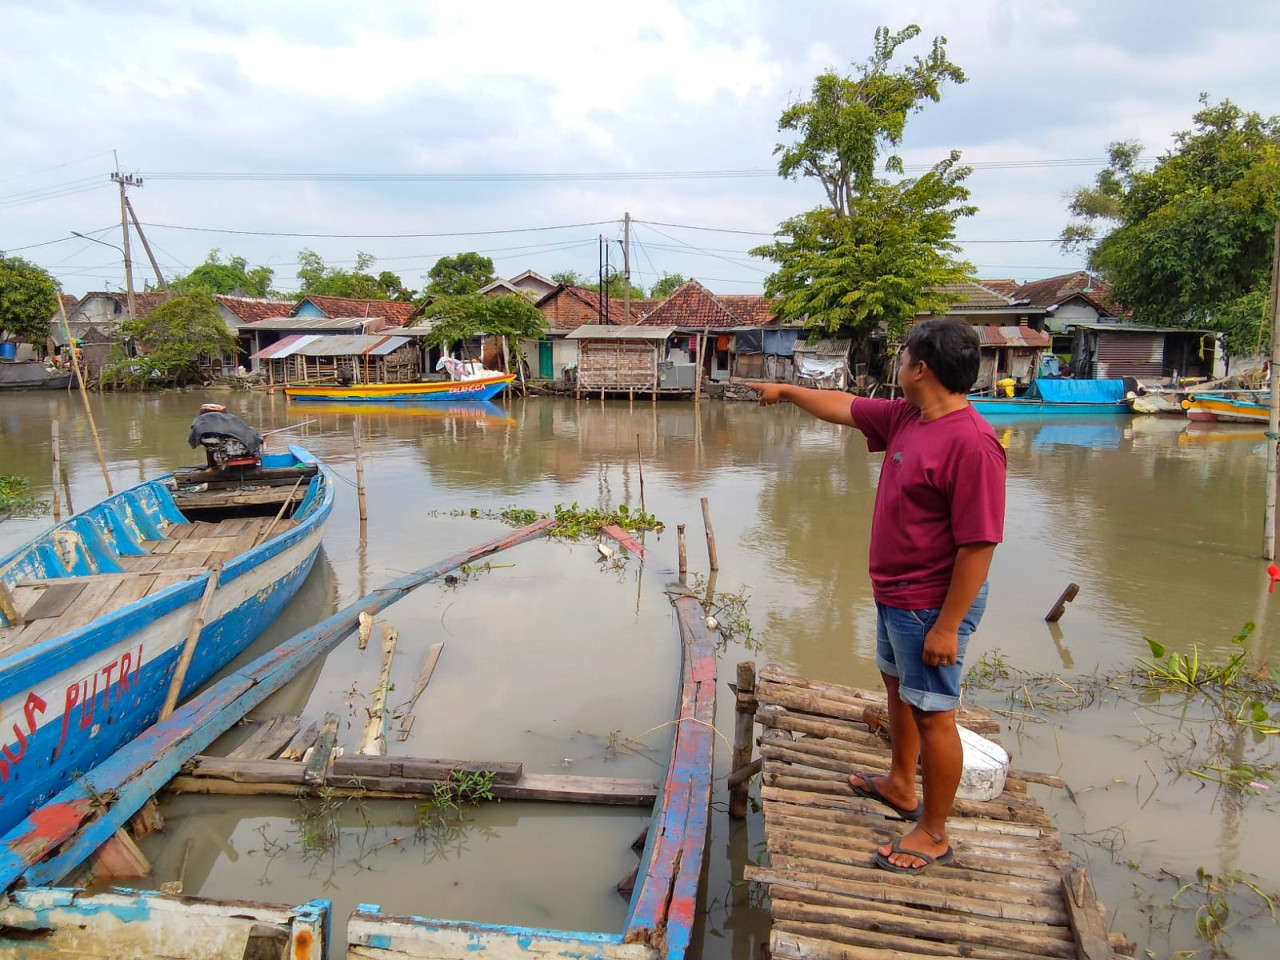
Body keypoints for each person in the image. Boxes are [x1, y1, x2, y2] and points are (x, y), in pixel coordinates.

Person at [747, 317, 1006, 874]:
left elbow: (979, 545)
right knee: (898, 690)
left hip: (932, 604)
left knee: (934, 712)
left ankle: (933, 832)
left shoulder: (973, 443)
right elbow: (843, 407)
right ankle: (899, 783)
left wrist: (946, 626)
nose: (898, 361)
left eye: (904, 353)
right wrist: (788, 391)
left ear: (921, 368)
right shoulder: (911, 417)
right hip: (895, 593)